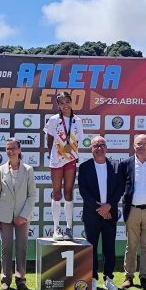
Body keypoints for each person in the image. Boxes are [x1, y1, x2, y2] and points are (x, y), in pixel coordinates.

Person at [118, 134, 146, 290]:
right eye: (139, 143)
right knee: (131, 245)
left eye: (145, 144)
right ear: (133, 145)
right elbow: (122, 186)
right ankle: (128, 277)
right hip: (132, 210)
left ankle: (144, 277)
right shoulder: (125, 164)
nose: (142, 146)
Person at [0, 138, 37, 290]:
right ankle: (5, 280)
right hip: (4, 215)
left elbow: (32, 195)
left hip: (23, 216)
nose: (10, 151)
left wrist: (24, 216)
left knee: (22, 248)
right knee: (6, 248)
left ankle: (21, 279)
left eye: (13, 148)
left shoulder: (28, 170)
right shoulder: (0, 170)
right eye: (8, 148)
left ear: (19, 150)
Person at [78, 136, 123, 290]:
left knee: (109, 247)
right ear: (91, 149)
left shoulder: (116, 165)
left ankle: (108, 278)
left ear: (106, 147)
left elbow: (120, 189)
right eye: (96, 146)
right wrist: (101, 209)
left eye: (102, 145)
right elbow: (83, 191)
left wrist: (108, 206)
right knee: (91, 247)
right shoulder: (84, 167)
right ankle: (92, 277)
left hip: (110, 214)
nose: (99, 148)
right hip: (92, 214)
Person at [44, 91, 84, 241]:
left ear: (71, 102)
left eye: (67, 102)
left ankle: (68, 228)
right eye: (62, 103)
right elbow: (49, 141)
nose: (65, 105)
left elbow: (77, 141)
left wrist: (69, 154)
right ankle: (56, 228)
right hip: (56, 160)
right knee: (56, 193)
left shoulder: (77, 121)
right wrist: (54, 156)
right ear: (58, 105)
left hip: (70, 159)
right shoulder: (53, 120)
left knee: (68, 193)